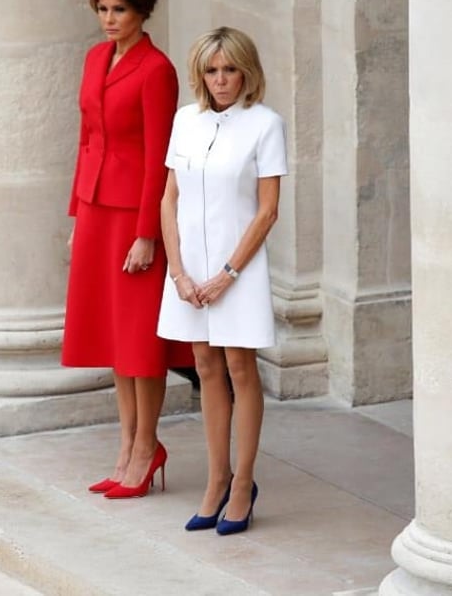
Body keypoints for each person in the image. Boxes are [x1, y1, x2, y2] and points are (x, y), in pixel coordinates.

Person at [62, 0, 192, 499]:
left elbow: (161, 159)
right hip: (96, 209)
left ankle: (146, 448)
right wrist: (76, 213)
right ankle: (126, 446)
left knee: (139, 339)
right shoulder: (95, 58)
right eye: (103, 10)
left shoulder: (156, 69)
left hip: (136, 217)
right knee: (114, 338)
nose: (109, 19)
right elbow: (87, 137)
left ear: (143, 12)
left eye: (119, 10)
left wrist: (148, 234)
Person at [157, 27, 287, 535]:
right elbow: (170, 199)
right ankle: (215, 480)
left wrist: (228, 274)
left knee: (239, 366)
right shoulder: (185, 121)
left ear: (246, 71)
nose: (220, 80)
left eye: (229, 69)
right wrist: (178, 271)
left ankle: (243, 484)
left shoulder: (265, 125)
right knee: (205, 365)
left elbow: (268, 209)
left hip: (240, 269)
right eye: (212, 70)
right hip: (188, 272)